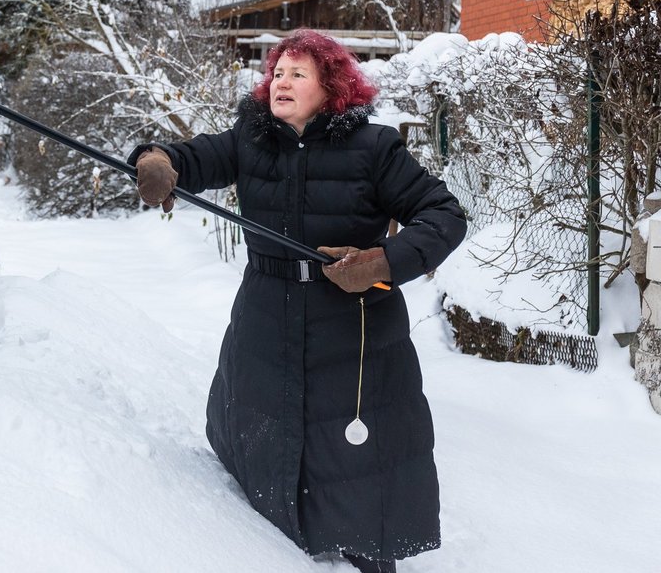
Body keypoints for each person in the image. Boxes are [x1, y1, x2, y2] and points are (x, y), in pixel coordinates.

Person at [129, 29, 466, 573]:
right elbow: (189, 159)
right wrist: (157, 161)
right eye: (278, 72)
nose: (281, 81)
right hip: (266, 312)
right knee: (266, 427)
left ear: (330, 86)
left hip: (353, 323)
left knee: (355, 448)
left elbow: (444, 216)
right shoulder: (250, 138)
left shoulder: (375, 149)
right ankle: (273, 548)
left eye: (298, 74)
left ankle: (364, 551)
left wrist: (381, 263)